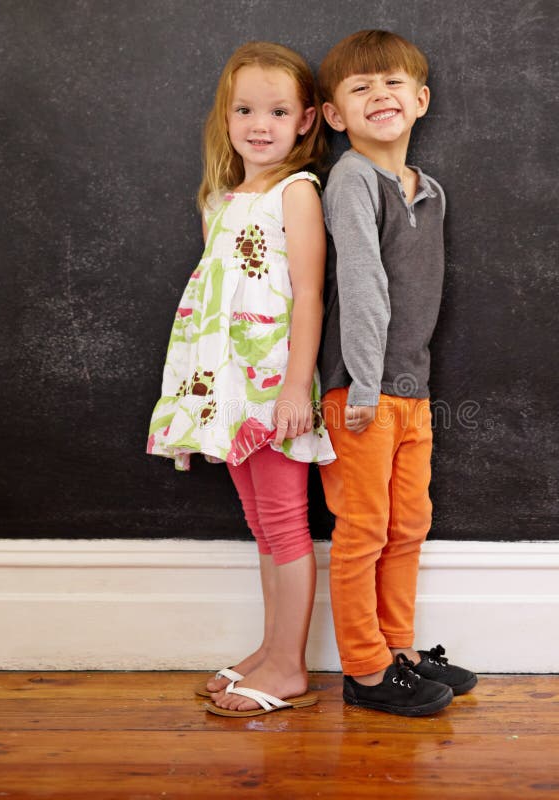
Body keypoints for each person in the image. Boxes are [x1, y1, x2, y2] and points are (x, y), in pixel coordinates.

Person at [147, 41, 335, 717]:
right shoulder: (222, 199)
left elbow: (308, 295)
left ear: (307, 119)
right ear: (225, 119)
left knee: (286, 522)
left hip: (273, 388)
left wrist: (293, 389)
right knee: (261, 523)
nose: (262, 123)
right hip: (226, 389)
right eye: (246, 109)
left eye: (278, 110)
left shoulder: (297, 193)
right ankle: (269, 647)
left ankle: (290, 665)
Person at [317, 30, 477, 716]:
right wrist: (361, 381)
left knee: (409, 522)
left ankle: (398, 649)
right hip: (361, 390)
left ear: (420, 100)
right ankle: (365, 668)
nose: (378, 95)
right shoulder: (352, 178)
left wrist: (408, 385)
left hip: (411, 389)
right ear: (334, 115)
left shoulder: (429, 191)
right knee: (364, 528)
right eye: (359, 88)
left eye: (391, 84)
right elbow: (360, 284)